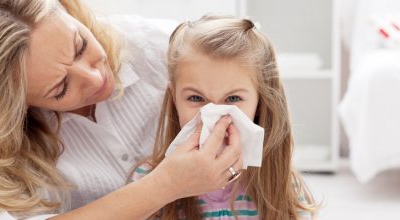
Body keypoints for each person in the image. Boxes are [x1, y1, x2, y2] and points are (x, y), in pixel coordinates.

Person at [0, 0, 242, 219]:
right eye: (60, 89)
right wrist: (164, 186)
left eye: (81, 46)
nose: (96, 77)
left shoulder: (159, 48)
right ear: (14, 108)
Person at [128, 15, 318, 220]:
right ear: (174, 98)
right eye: (196, 98)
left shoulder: (280, 184)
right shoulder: (149, 181)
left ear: (260, 101)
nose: (215, 116)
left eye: (233, 98)